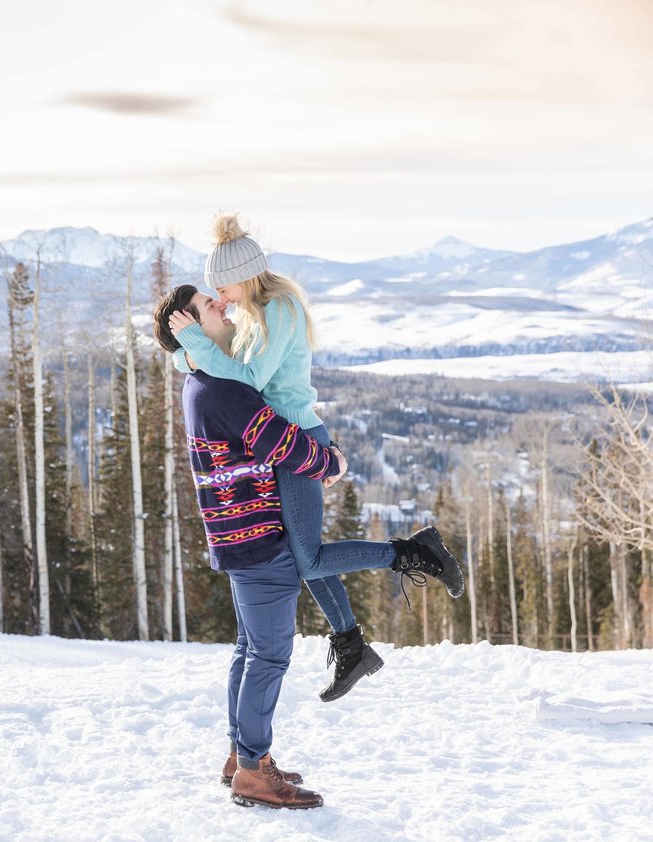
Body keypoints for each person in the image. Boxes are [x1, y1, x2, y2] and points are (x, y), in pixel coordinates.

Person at [152, 284, 463, 809]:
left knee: (250, 651)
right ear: (189, 328)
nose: (223, 305)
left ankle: (241, 758)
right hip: (257, 540)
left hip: (238, 539)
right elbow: (281, 441)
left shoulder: (199, 382)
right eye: (210, 305)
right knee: (269, 657)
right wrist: (332, 461)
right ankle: (253, 771)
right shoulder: (223, 387)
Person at [166, 214, 463, 702]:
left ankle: (413, 552)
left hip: (296, 440)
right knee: (303, 560)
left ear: (244, 275)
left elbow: (246, 381)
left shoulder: (279, 309)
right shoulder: (253, 314)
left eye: (223, 287)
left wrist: (194, 343)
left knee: (308, 559)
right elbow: (218, 363)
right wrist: (186, 350)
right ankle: (351, 645)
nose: (220, 299)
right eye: (214, 292)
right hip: (279, 445)